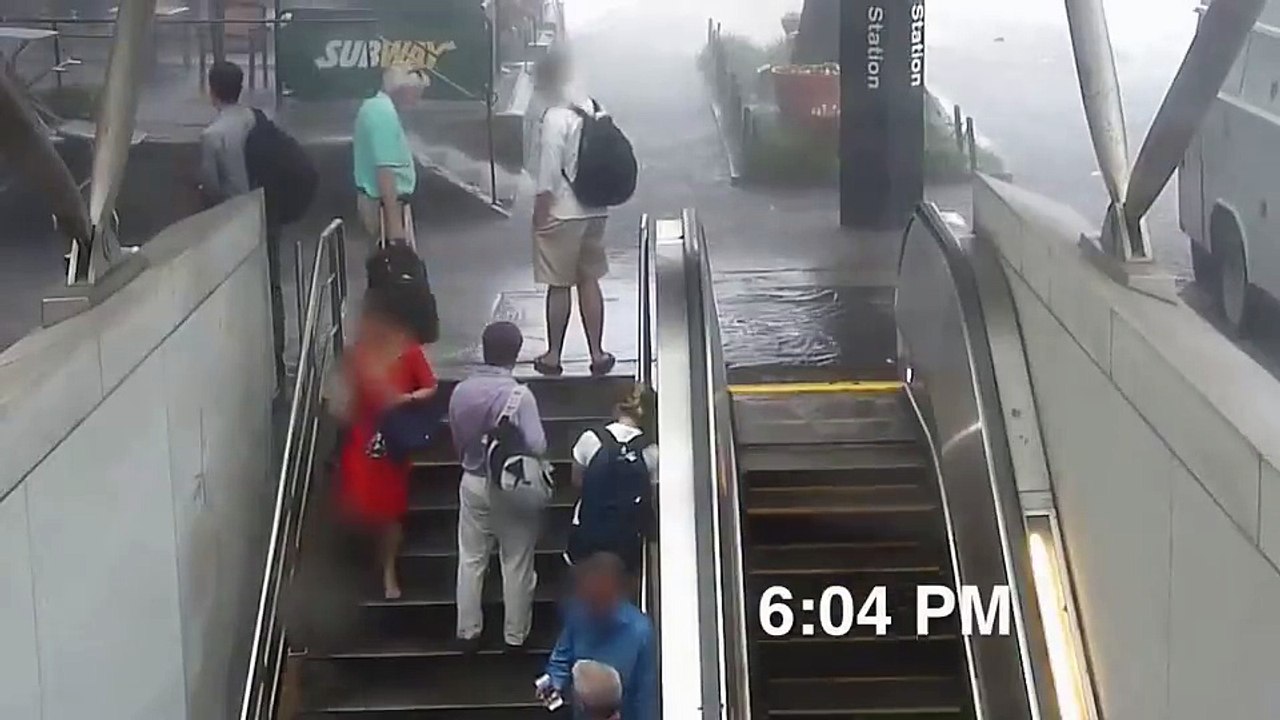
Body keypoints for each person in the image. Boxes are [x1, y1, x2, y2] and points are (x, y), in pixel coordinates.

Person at [448, 321, 548, 649]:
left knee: (471, 558)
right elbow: (537, 444)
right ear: (516, 353)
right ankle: (515, 635)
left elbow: (458, 439)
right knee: (516, 562)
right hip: (511, 487)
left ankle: (467, 630)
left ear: (484, 348)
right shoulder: (521, 396)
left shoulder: (461, 391)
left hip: (473, 479)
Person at [336, 288, 438, 600]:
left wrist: (404, 398)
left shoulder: (408, 352)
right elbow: (346, 401)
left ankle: (387, 569)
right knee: (358, 503)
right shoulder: (358, 355)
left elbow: (430, 387)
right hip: (362, 437)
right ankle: (364, 565)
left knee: (390, 510)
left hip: (392, 439)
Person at [199, 60, 287, 391]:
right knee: (272, 289)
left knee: (240, 298)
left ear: (212, 90)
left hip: (236, 224)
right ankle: (277, 361)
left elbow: (211, 187)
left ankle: (247, 369)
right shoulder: (258, 119)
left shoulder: (212, 136)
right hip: (267, 217)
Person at [529, 52, 615, 377]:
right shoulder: (593, 107)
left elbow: (549, 168)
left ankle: (553, 356)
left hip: (563, 211)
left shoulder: (555, 116)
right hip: (595, 208)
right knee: (589, 279)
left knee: (559, 284)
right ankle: (597, 353)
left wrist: (540, 210)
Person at [540, 552, 657, 720]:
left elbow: (645, 695)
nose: (593, 605)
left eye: (600, 597)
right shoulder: (578, 615)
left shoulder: (640, 632)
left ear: (615, 594)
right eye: (590, 597)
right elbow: (560, 659)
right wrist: (553, 684)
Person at [565, 383, 658, 574]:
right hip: (627, 540)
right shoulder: (652, 451)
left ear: (616, 408)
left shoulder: (590, 438)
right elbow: (653, 495)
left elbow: (576, 481)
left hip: (589, 532)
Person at [353, 66, 425, 247]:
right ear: (402, 89)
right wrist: (395, 227)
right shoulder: (382, 114)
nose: (418, 100)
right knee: (392, 263)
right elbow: (385, 169)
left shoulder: (376, 108)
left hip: (378, 203)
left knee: (383, 264)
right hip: (383, 206)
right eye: (416, 92)